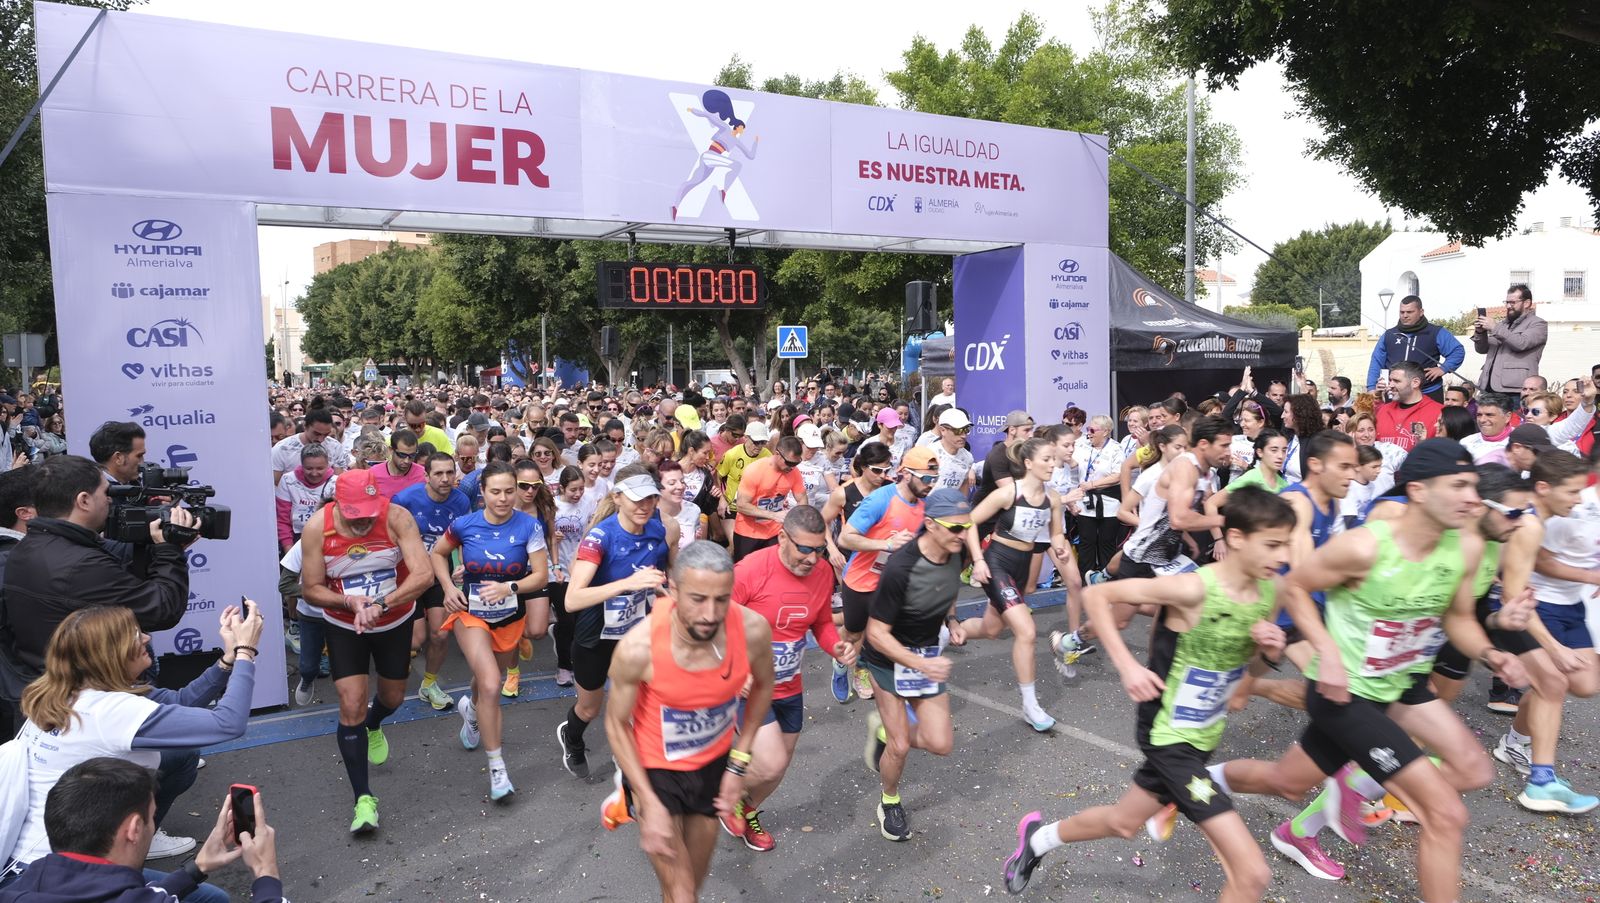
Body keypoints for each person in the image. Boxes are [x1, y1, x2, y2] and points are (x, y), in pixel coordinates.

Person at [1209, 440, 1533, 903]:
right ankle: (1354, 784)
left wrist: (1491, 653)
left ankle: (1198, 781)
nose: (1472, 498)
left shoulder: (1462, 548)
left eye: (1474, 487)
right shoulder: (1365, 546)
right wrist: (1327, 652)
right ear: (1419, 491)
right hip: (1347, 692)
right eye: (1460, 486)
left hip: (1402, 684)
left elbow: (1459, 618)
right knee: (1445, 815)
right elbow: (1295, 587)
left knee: (1289, 781)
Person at [1001, 487, 1292, 900]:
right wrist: (1128, 665)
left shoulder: (1270, 591)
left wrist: (1268, 653)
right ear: (1238, 538)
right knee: (1252, 874)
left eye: (1286, 545)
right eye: (1273, 545)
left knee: (1124, 823)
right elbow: (1097, 595)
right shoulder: (1194, 589)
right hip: (1167, 735)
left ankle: (1037, 839)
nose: (1283, 556)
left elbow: (1248, 675)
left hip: (1204, 735)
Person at [8, 605, 262, 874]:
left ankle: (138, 842)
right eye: (136, 635)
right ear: (112, 653)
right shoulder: (112, 711)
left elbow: (181, 701)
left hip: (35, 856)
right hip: (63, 872)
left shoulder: (69, 690)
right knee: (209, 895)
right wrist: (246, 652)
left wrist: (228, 659)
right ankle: (130, 850)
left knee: (182, 756)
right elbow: (228, 723)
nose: (146, 639)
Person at [599, 541, 774, 902]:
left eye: (721, 599)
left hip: (712, 766)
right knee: (683, 895)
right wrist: (647, 798)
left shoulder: (752, 629)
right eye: (697, 599)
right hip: (655, 772)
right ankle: (628, 796)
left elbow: (764, 686)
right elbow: (616, 723)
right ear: (674, 590)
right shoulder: (639, 648)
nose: (710, 613)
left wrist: (738, 764)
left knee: (689, 885)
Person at [298, 468, 434, 834]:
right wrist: (348, 601)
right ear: (337, 504)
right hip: (345, 625)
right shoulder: (317, 527)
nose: (363, 524)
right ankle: (363, 798)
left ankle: (374, 723)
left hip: (394, 620)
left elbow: (424, 575)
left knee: (393, 698)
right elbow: (310, 588)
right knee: (351, 703)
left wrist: (381, 604)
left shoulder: (396, 517)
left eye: (369, 515)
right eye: (355, 516)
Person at [720, 506, 856, 852]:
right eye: (804, 549)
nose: (812, 559)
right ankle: (723, 789)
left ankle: (745, 808)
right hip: (749, 686)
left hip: (788, 685)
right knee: (771, 762)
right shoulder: (749, 570)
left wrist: (836, 647)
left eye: (819, 549)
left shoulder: (822, 572)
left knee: (778, 767)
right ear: (782, 537)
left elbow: (821, 622)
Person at [0, 456, 192, 681]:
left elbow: (116, 559)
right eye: (106, 492)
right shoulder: (78, 566)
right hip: (86, 689)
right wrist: (170, 551)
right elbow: (162, 609)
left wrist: (157, 538)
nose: (110, 500)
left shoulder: (29, 546)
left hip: (51, 683)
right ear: (84, 500)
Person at [0, 758, 281, 903]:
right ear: (134, 829)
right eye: (151, 817)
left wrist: (196, 869)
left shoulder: (21, 887)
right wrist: (265, 873)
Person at [429, 461, 549, 801]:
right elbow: (438, 554)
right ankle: (498, 769)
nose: (503, 498)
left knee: (486, 683)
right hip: (470, 613)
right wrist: (448, 588)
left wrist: (509, 587)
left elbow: (540, 576)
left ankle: (471, 710)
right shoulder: (464, 524)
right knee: (493, 683)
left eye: (509, 491)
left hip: (509, 615)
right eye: (495, 491)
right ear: (482, 492)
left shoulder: (528, 526)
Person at [860, 489, 971, 842]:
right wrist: (920, 664)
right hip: (887, 658)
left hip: (923, 655)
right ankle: (889, 801)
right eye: (955, 528)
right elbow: (876, 634)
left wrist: (951, 619)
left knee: (941, 743)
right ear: (930, 525)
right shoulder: (901, 568)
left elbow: (948, 585)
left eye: (967, 527)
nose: (963, 534)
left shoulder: (957, 551)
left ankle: (884, 730)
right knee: (900, 746)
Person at [1493, 448, 1600, 814]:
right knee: (1552, 681)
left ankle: (1519, 749)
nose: (1579, 498)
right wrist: (1553, 647)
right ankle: (1541, 780)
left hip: (1537, 606)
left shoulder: (1535, 518)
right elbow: (1511, 595)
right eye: (1573, 491)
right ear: (1543, 487)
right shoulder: (1531, 524)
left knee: (1581, 684)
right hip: (1502, 609)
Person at [558, 466, 678, 781]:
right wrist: (627, 584)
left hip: (637, 633)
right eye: (637, 499)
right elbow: (572, 600)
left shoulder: (657, 531)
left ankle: (628, 761)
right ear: (618, 498)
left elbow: (659, 577)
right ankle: (572, 736)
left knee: (641, 700)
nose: (645, 506)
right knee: (589, 708)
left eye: (651, 499)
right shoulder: (600, 537)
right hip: (595, 635)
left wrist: (666, 593)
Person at [960, 437, 1072, 730]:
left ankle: (948, 634)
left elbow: (1056, 533)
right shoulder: (1009, 493)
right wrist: (978, 560)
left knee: (991, 629)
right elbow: (969, 521)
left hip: (1021, 566)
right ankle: (1030, 705)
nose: (1052, 464)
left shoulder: (1053, 498)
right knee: (1027, 631)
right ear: (1028, 463)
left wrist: (1060, 547)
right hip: (998, 561)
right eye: (1046, 459)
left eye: (1053, 459)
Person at [836, 446, 939, 703]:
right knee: (854, 633)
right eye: (927, 478)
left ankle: (865, 671)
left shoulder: (926, 506)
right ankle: (840, 663)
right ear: (906, 474)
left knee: (883, 634)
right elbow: (845, 538)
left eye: (935, 478)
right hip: (861, 580)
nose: (931, 484)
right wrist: (887, 544)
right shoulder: (881, 499)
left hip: (893, 583)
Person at [392, 452, 472, 711]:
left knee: (439, 634)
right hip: (408, 575)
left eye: (449, 472)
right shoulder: (405, 499)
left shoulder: (461, 501)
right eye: (438, 473)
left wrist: (462, 563)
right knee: (416, 640)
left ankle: (429, 684)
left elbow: (464, 537)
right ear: (426, 476)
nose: (445, 478)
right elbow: (389, 536)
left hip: (440, 574)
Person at [1120, 418, 1234, 579]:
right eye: (1224, 446)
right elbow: (1178, 519)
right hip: (1142, 559)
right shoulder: (1183, 468)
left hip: (1167, 558)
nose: (1228, 452)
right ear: (1203, 444)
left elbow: (1175, 516)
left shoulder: (1201, 471)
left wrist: (1188, 540)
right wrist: (1227, 521)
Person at [1366, 294, 1464, 402]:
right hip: (1394, 393)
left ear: (1421, 312)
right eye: (1402, 312)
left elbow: (1457, 351)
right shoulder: (1389, 335)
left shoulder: (1436, 332)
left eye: (1409, 312)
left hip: (1428, 392)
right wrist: (1371, 387)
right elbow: (1376, 361)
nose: (1405, 315)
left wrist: (1443, 368)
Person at [549, 466, 595, 689]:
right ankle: (564, 666)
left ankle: (574, 655)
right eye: (573, 490)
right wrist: (552, 537)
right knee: (567, 619)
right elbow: (542, 533)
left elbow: (593, 528)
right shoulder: (552, 505)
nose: (578, 494)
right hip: (557, 569)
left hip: (582, 566)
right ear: (562, 488)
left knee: (580, 621)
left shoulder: (589, 503)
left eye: (581, 489)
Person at [732, 436, 805, 562]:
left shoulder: (794, 472)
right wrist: (773, 515)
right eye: (789, 463)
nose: (792, 467)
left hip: (774, 532)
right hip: (748, 532)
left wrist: (797, 520)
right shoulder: (755, 470)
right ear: (777, 454)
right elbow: (741, 505)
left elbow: (802, 498)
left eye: (796, 463)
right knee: (745, 570)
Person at [1473, 283, 1547, 394]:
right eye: (1507, 302)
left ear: (1527, 303)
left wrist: (1495, 327)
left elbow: (1521, 343)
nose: (1508, 306)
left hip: (1514, 390)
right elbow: (1482, 349)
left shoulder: (1538, 324)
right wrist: (1480, 333)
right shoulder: (1503, 325)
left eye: (1512, 302)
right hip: (1487, 387)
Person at [274, 444, 335, 553]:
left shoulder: (336, 483)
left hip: (327, 538)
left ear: (328, 465)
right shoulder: (288, 480)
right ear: (302, 465)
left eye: (320, 468)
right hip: (295, 538)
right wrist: (289, 550)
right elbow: (282, 519)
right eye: (309, 468)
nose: (314, 473)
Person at [973, 411, 1034, 512]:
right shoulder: (998, 455)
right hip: (987, 513)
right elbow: (1011, 493)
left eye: (1031, 430)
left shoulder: (1026, 453)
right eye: (1026, 430)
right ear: (1012, 430)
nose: (1031, 435)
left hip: (1008, 511)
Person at [1375, 361, 1443, 451]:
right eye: (1390, 380)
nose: (1390, 385)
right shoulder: (1383, 410)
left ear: (1415, 383)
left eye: (1396, 381)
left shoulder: (1439, 413)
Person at [271, 408, 349, 484]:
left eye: (325, 435)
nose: (321, 439)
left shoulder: (335, 447)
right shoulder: (282, 449)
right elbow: (274, 483)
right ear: (305, 426)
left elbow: (338, 481)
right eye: (317, 434)